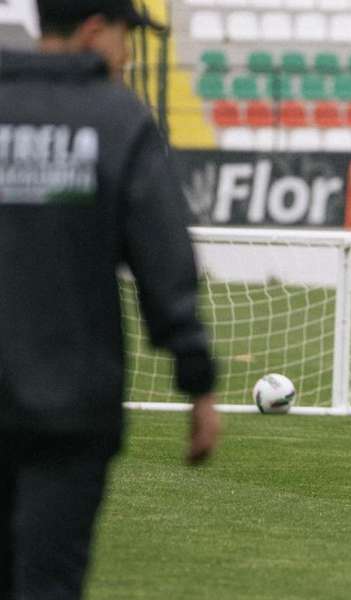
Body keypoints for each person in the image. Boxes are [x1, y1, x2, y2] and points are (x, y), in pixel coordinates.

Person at [0, 1, 220, 597]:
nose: (126, 55)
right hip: (69, 411)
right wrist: (196, 380)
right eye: (126, 38)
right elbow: (164, 262)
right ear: (95, 31)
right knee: (48, 582)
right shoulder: (116, 118)